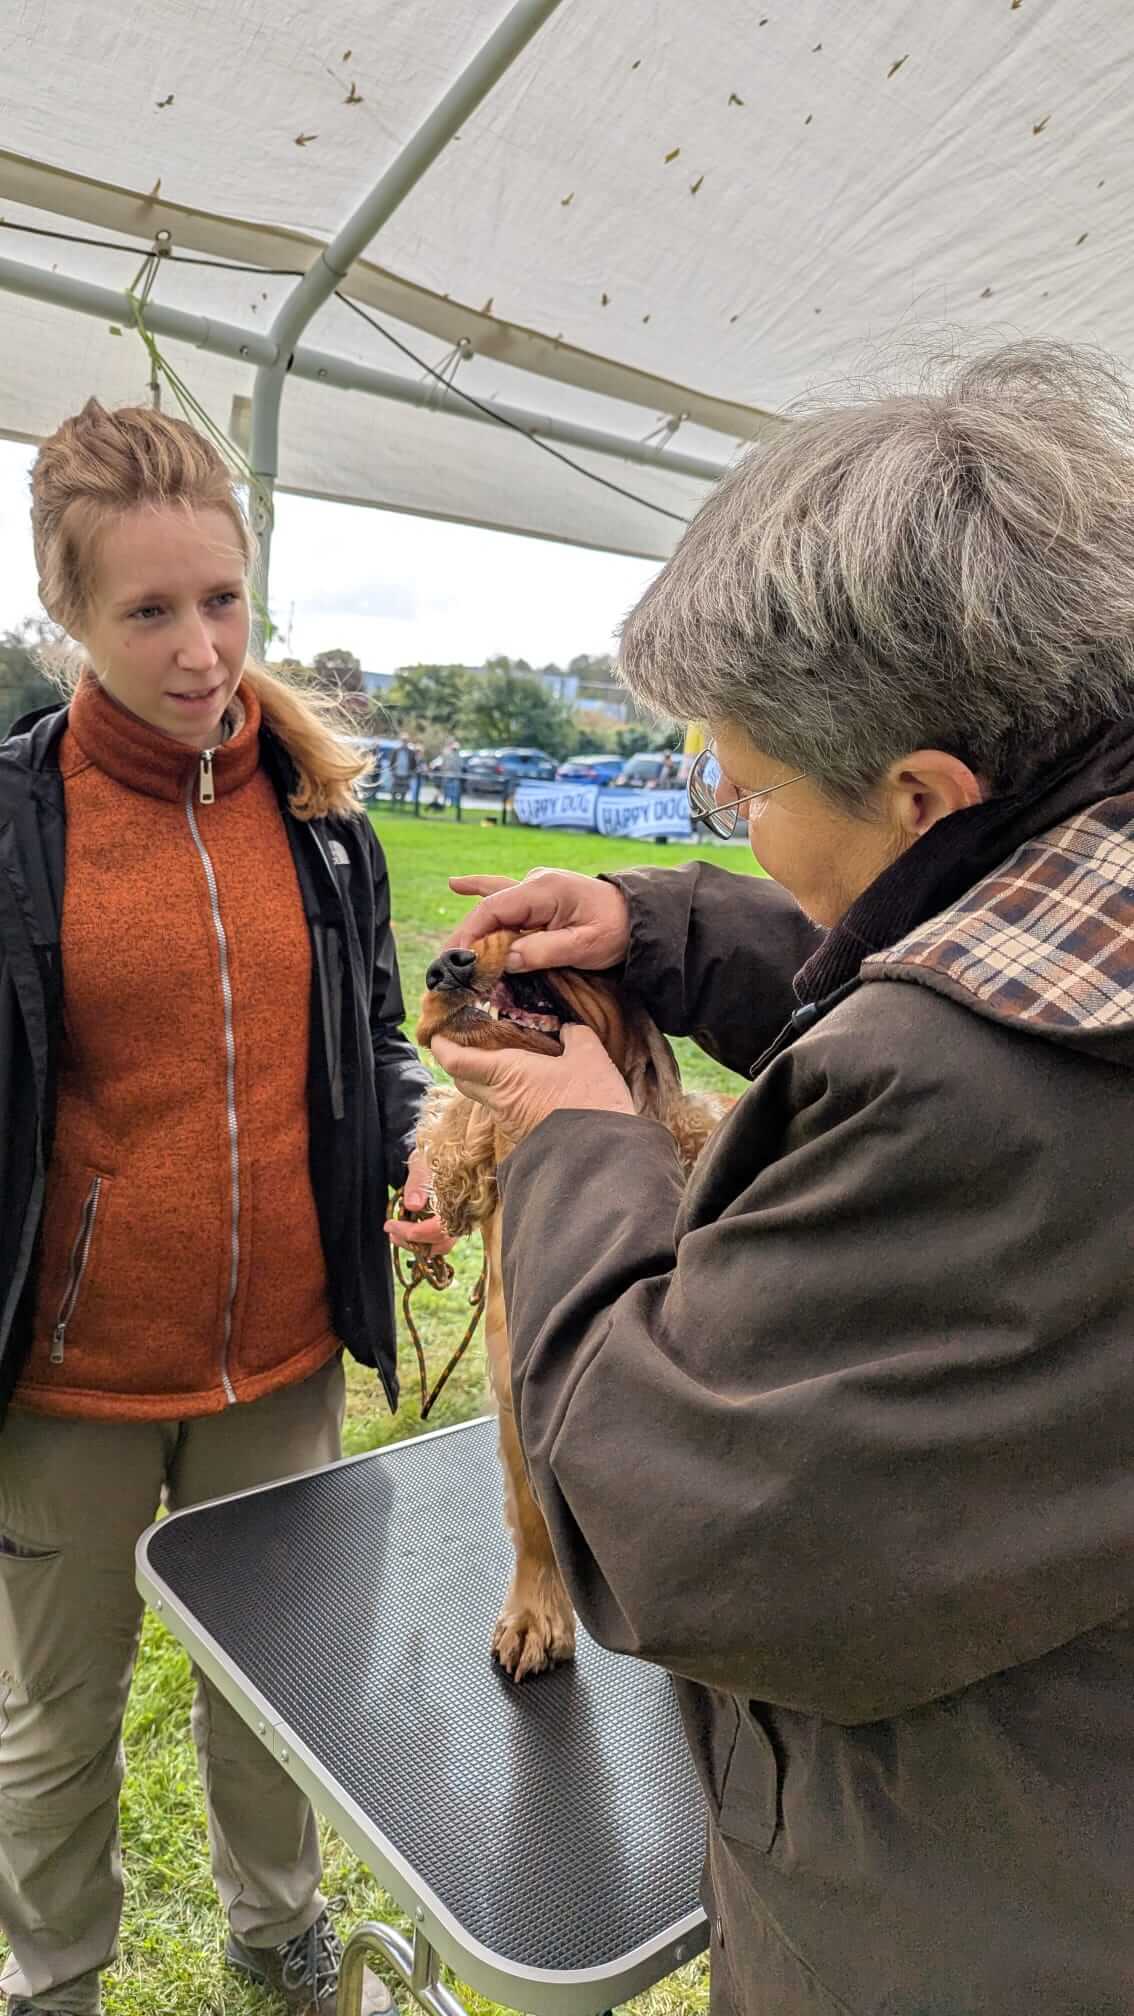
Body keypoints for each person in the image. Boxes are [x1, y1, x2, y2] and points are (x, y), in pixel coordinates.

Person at [429, 346, 1134, 2016]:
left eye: (740, 791)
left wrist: (571, 1132)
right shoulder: (1081, 879)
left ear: (918, 792)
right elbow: (969, 934)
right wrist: (660, 929)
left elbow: (671, 1517)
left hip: (973, 1923)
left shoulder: (960, 1096)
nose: (728, 814)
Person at [0, 399, 453, 2016]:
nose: (201, 650)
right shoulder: (16, 826)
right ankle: (55, 1979)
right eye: (148, 611)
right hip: (72, 1380)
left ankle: (279, 1934)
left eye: (223, 600)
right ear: (67, 611)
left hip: (280, 1361)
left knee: (275, 1693)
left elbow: (374, 1040)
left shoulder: (322, 821)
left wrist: (414, 1148)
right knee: (58, 1719)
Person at [390, 735, 416, 805]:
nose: (404, 742)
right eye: (403, 741)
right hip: (396, 773)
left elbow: (413, 763)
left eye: (405, 741)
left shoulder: (411, 752)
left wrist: (411, 772)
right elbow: (392, 762)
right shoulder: (396, 750)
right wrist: (392, 771)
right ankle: (393, 804)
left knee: (404, 791)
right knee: (394, 790)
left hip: (406, 774)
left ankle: (402, 804)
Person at [440, 737, 462, 809]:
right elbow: (445, 764)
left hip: (455, 775)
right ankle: (445, 802)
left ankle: (453, 803)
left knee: (454, 790)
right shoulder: (446, 752)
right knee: (446, 790)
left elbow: (458, 764)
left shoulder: (457, 753)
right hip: (447, 774)